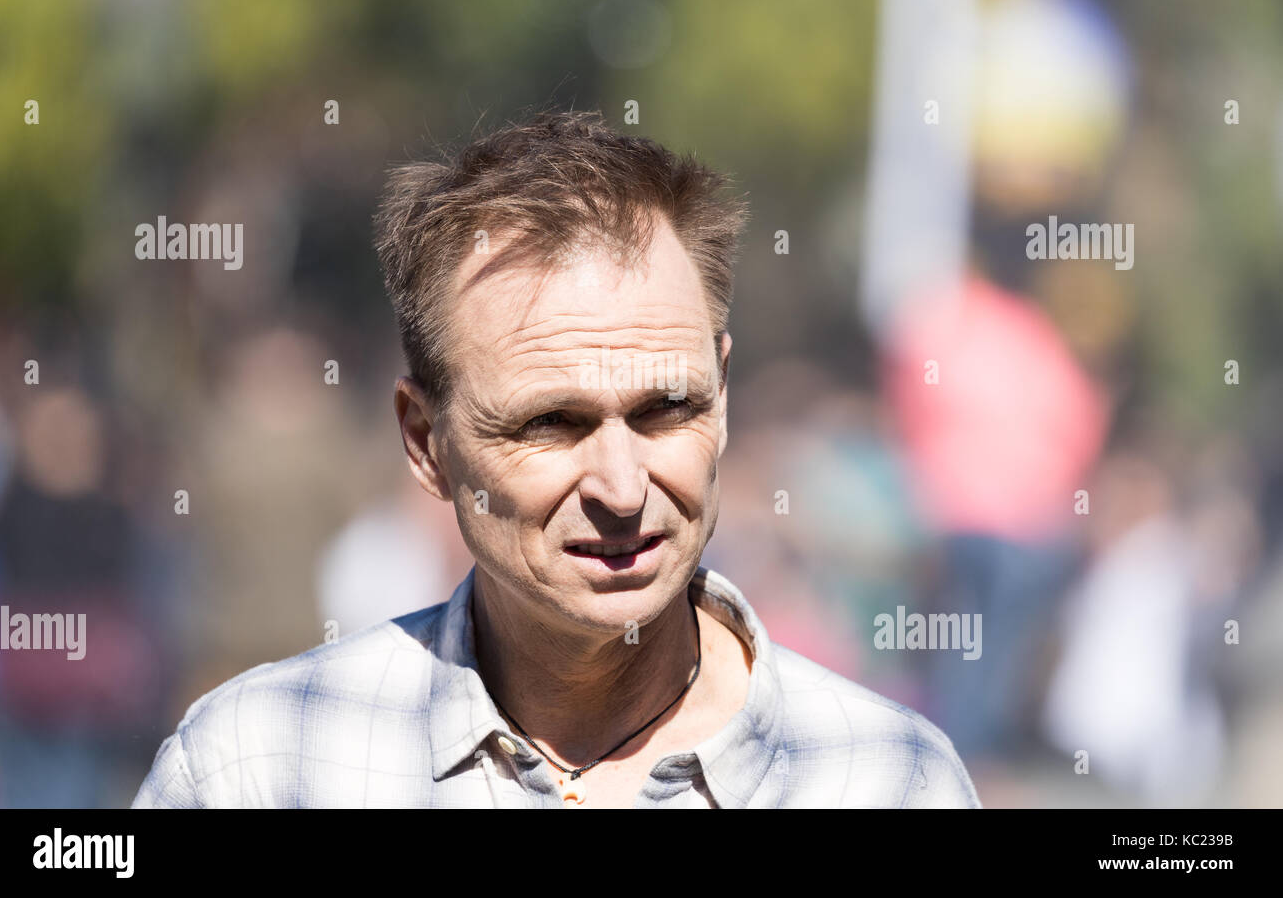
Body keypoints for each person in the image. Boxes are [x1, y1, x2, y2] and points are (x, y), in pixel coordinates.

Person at [133, 109, 980, 808]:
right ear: (426, 444)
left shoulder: (889, 782)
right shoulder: (263, 768)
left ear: (722, 399)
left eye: (666, 409)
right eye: (550, 424)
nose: (621, 487)